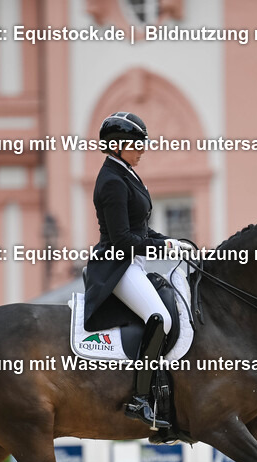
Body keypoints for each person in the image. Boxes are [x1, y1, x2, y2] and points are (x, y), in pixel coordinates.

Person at [82, 112, 193, 429]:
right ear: (116, 145)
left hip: (133, 262)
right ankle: (140, 398)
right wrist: (163, 248)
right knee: (161, 318)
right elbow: (123, 240)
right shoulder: (112, 181)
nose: (142, 149)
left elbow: (140, 229)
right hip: (117, 265)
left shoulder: (127, 173)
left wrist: (171, 241)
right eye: (136, 144)